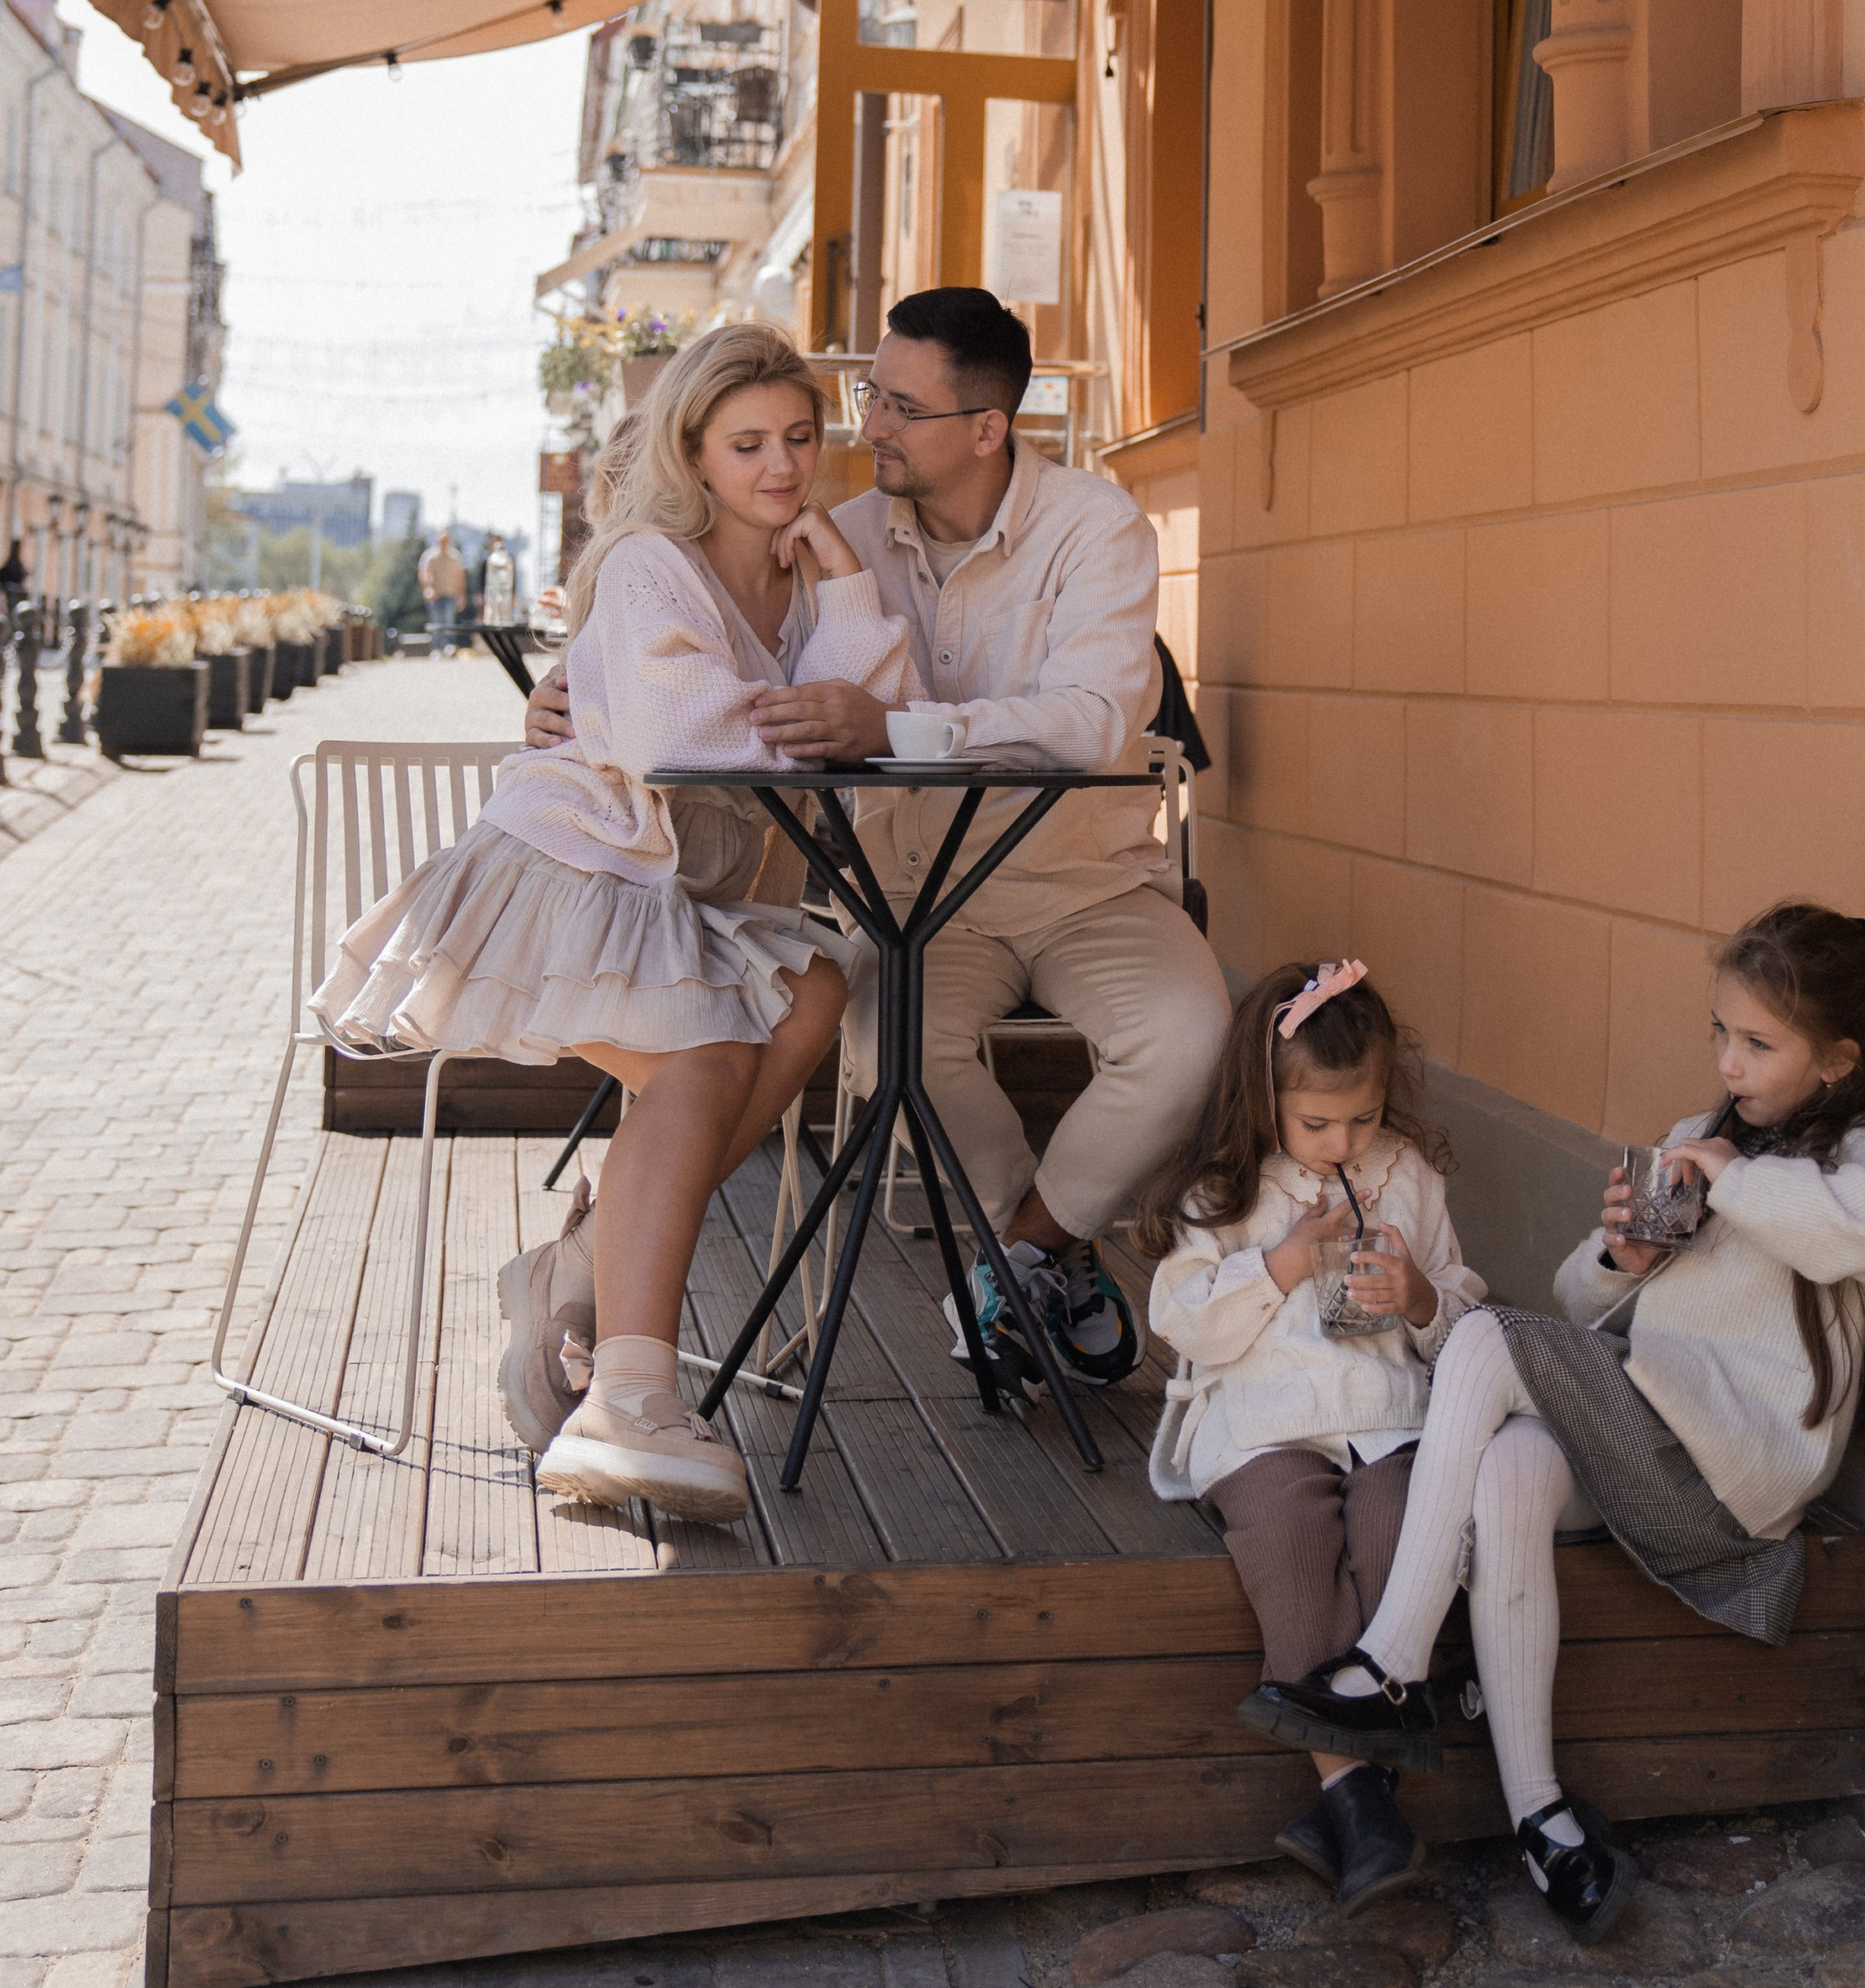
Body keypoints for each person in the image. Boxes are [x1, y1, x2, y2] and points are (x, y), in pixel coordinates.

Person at [528, 287, 1232, 1397]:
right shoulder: (838, 535)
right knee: (889, 1044)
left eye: (901, 407)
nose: (869, 430)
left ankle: (1026, 1252)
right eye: (869, 397)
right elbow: (699, 633)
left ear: (988, 428)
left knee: (1192, 1035)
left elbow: (1095, 716)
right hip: (915, 900)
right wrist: (575, 694)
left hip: (1087, 885)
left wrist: (893, 727)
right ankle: (1032, 1259)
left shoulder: (1097, 530)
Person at [1242, 905, 1865, 1944]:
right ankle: (1539, 1812)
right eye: (1720, 1033)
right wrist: (1624, 1258)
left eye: (1758, 1043)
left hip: (1726, 1479)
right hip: (1648, 1442)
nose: (1730, 1061)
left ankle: (1392, 1663)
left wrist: (1736, 1181)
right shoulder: (1701, 1145)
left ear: (1840, 1061)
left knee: (1483, 1338)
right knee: (1512, 1469)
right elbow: (1578, 1306)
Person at [314, 326, 916, 1524]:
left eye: (800, 439)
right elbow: (677, 738)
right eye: (747, 444)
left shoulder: (803, 574)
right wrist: (799, 713)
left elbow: (861, 719)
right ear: (694, 451)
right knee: (701, 1071)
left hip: (668, 891)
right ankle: (632, 1397)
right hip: (564, 876)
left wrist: (845, 585)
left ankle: (581, 1265)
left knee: (820, 989)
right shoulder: (652, 560)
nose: (782, 467)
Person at [1137, 960, 1484, 1914]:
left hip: (1383, 1414)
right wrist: (1282, 1260)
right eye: (1316, 1125)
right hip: (1263, 1421)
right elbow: (1187, 1320)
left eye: (1362, 1120)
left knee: (1398, 1530)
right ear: (1264, 1099)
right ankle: (1359, 1791)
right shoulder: (1224, 1186)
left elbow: (1463, 1305)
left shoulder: (1406, 1174)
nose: (1343, 1144)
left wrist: (1414, 1297)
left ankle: (1342, 1808)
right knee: (1290, 1541)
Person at [418, 528, 466, 653]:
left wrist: (462, 596)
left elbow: (460, 577)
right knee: (436, 622)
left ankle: (449, 646)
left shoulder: (455, 557)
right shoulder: (430, 557)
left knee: (449, 621)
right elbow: (425, 574)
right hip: (436, 595)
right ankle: (436, 648)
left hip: (450, 594)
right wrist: (427, 589)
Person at [481, 532, 517, 627]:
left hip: (504, 592)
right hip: (492, 592)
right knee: (491, 615)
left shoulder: (508, 560)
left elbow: (512, 579)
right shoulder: (488, 559)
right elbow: (483, 578)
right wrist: (481, 594)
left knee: (504, 615)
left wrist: (513, 594)